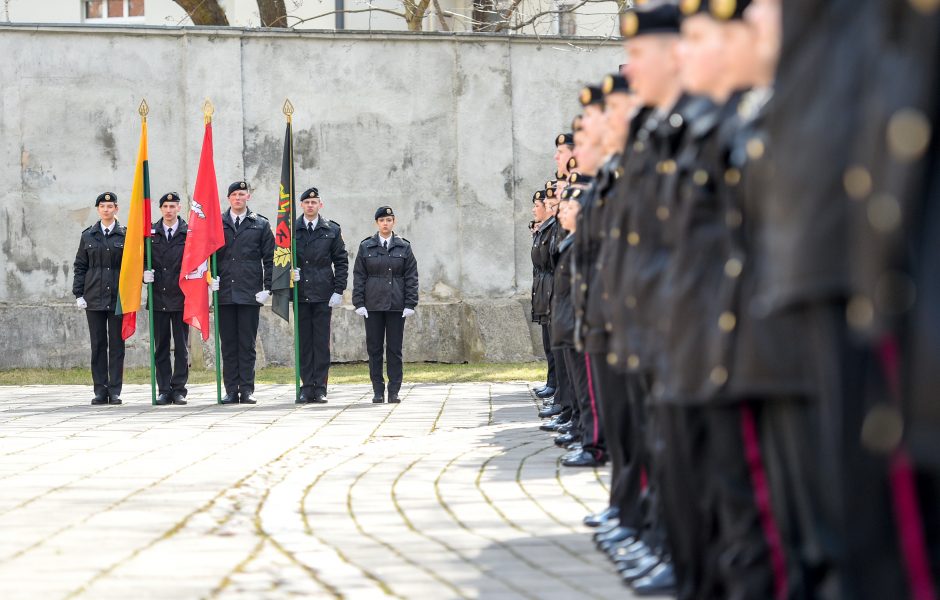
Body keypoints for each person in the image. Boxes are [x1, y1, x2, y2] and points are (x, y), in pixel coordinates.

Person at [212, 181, 275, 405]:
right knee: (228, 345)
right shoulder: (216, 223)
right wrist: (210, 279)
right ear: (229, 198)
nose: (238, 198)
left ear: (248, 196)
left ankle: (247, 389)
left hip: (250, 293)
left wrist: (268, 288)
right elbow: (207, 255)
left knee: (247, 345)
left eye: (242, 194)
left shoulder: (260, 224)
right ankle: (231, 390)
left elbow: (270, 259)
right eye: (234, 194)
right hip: (225, 292)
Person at [352, 206, 419, 404]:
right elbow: (359, 276)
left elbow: (411, 276)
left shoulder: (403, 246)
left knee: (395, 349)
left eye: (389, 220)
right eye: (382, 220)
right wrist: (359, 302)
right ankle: (378, 390)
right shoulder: (366, 246)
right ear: (377, 223)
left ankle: (394, 390)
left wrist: (410, 303)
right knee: (374, 349)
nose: (385, 223)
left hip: (396, 305)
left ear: (393, 222)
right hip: (372, 305)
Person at [290, 186, 348, 404]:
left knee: (321, 343)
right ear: (302, 205)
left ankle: (321, 386)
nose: (310, 205)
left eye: (314, 202)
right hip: (301, 293)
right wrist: (289, 275)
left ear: (320, 205)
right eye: (307, 202)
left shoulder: (331, 229)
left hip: (324, 292)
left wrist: (338, 290)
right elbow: (281, 259)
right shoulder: (291, 229)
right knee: (304, 342)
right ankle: (306, 386)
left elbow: (341, 261)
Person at [73, 192, 126, 406]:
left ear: (116, 209)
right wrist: (78, 294)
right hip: (93, 298)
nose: (106, 209)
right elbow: (80, 266)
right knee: (98, 345)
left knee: (116, 345)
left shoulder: (124, 236)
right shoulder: (88, 236)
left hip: (116, 298)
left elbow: (129, 267)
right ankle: (100, 390)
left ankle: (114, 391)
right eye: (102, 206)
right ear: (98, 210)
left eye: (110, 206)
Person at [144, 192, 190, 406]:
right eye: (165, 206)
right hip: (159, 297)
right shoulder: (150, 233)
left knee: (181, 346)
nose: (169, 210)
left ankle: (179, 389)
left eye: (173, 206)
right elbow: (142, 258)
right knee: (161, 346)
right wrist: (145, 273)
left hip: (181, 298)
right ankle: (163, 389)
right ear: (160, 209)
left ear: (179, 208)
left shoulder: (188, 232)